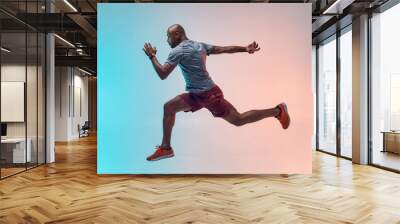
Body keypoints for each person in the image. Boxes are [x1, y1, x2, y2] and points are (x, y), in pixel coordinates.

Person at [142, 24, 290, 161]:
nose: (167, 40)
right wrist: (245, 48)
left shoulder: (177, 51)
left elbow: (163, 74)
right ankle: (166, 148)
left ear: (177, 35)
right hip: (198, 95)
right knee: (169, 107)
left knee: (238, 120)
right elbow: (223, 49)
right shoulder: (200, 46)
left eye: (168, 36)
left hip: (207, 96)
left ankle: (277, 111)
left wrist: (152, 56)